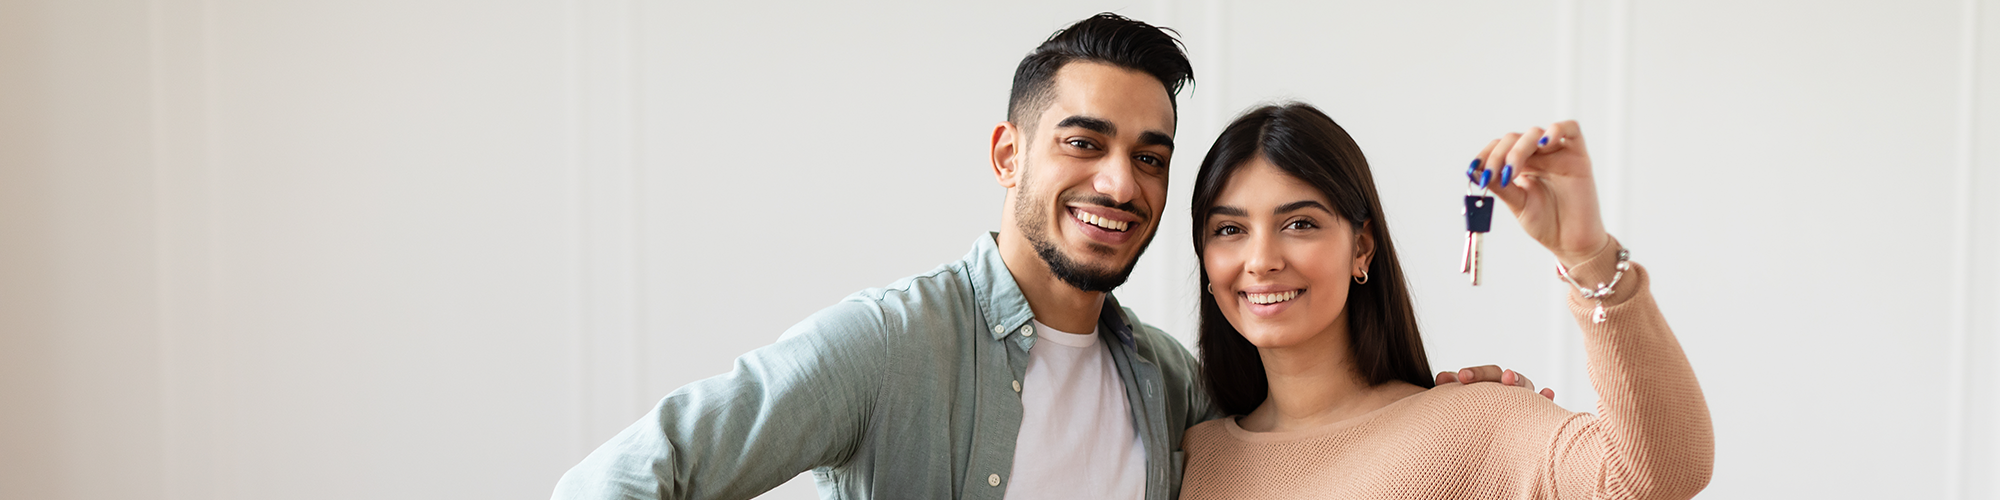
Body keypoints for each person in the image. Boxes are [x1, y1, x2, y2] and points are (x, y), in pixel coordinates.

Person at [552, 15, 1537, 500]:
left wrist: (1432, 407)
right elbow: (632, 474)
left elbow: (1300, 447)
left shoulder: (1166, 382)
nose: (1119, 181)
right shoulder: (891, 343)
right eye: (1082, 141)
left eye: (1149, 157)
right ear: (1006, 153)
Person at [1176, 103, 1713, 499]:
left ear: (1361, 248)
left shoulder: (1476, 424)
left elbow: (1661, 473)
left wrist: (1588, 255)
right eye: (1229, 229)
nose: (1261, 259)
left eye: (1299, 223)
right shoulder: (1194, 458)